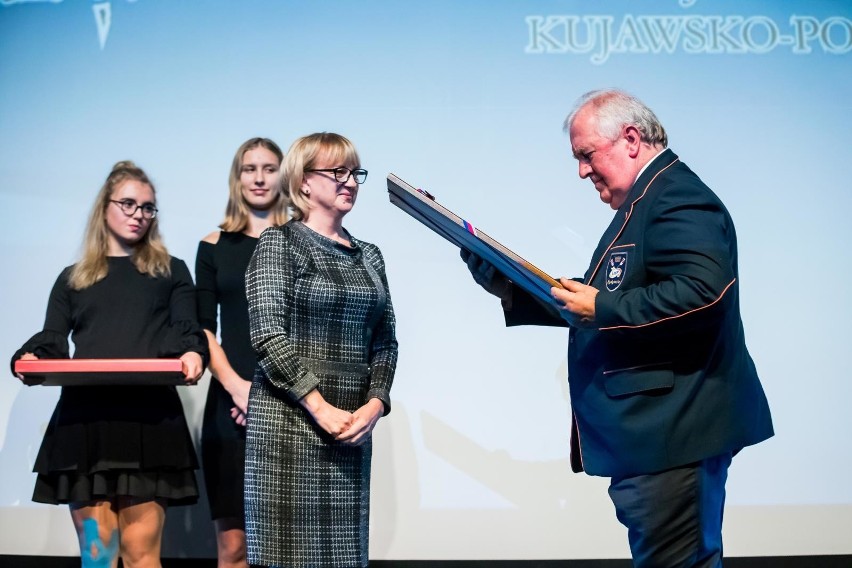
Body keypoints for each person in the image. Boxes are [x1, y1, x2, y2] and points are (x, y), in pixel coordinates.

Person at [462, 90, 773, 567]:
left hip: (673, 435)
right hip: (656, 440)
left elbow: (703, 294)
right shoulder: (648, 200)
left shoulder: (677, 199)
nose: (582, 171)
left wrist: (603, 307)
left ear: (631, 139)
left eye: (586, 155)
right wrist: (510, 285)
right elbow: (600, 295)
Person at [10, 160, 208, 568]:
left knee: (140, 556)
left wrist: (192, 354)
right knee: (97, 558)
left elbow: (187, 332)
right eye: (129, 204)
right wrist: (29, 359)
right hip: (86, 425)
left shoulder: (172, 272)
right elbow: (52, 341)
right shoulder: (73, 278)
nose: (139, 215)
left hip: (149, 424)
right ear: (105, 207)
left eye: (148, 207)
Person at [243, 132, 398, 567]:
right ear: (304, 182)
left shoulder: (371, 256)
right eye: (337, 172)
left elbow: (385, 342)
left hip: (351, 427)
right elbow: (268, 336)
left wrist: (374, 405)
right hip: (290, 425)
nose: (349, 181)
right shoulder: (280, 243)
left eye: (354, 173)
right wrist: (319, 407)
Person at [194, 137, 287, 568]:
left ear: (284, 175)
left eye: (269, 168)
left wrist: (266, 396)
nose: (260, 177)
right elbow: (202, 329)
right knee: (233, 548)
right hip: (228, 403)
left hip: (291, 401)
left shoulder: (298, 243)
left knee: (285, 546)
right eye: (250, 168)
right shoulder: (213, 246)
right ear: (237, 178)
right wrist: (237, 389)